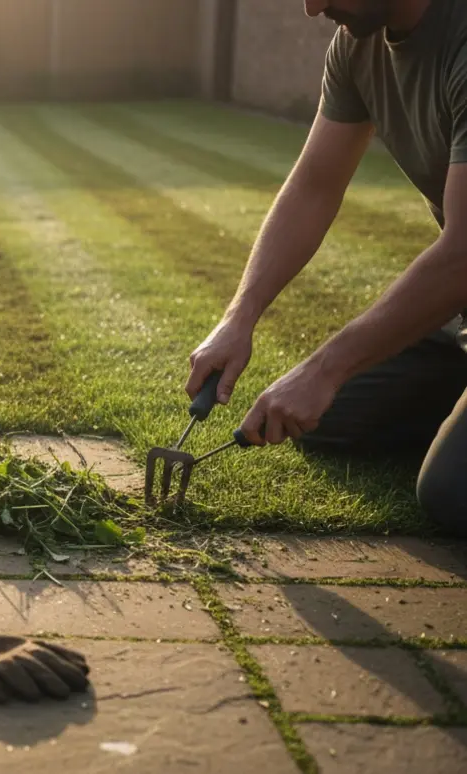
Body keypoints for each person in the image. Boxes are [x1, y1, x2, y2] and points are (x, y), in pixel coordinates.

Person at [184, 0, 467, 536]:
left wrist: (324, 368)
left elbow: (462, 253)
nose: (313, 8)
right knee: (326, 419)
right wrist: (240, 315)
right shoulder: (358, 43)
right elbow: (314, 186)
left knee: (451, 493)